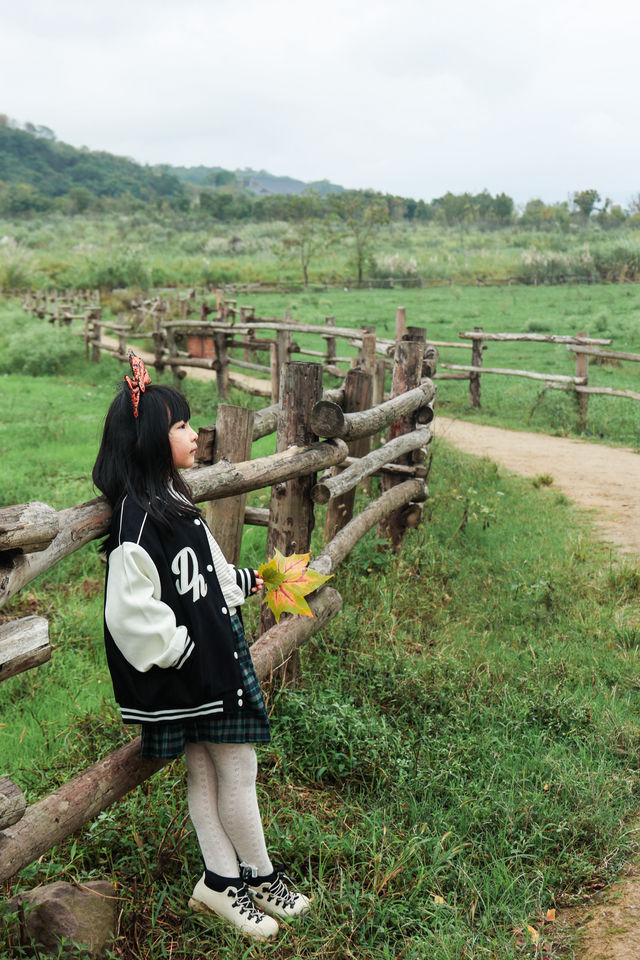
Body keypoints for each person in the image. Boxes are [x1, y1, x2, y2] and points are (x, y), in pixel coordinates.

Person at [92, 353, 309, 940]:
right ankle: (257, 876)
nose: (193, 434)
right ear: (149, 442)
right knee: (236, 768)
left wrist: (245, 583)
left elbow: (205, 575)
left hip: (202, 664)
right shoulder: (138, 521)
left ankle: (220, 880)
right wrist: (185, 648)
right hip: (191, 669)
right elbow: (131, 612)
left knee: (211, 775)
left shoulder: (174, 501)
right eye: (181, 426)